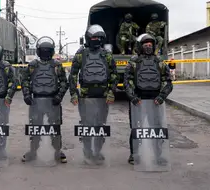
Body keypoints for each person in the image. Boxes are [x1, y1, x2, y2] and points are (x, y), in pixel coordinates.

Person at [69, 25, 118, 162]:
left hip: (103, 95)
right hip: (86, 96)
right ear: (89, 38)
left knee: (100, 125)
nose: (96, 40)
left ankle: (97, 151)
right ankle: (87, 151)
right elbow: (72, 75)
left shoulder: (106, 54)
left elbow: (114, 75)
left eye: (98, 38)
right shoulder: (81, 54)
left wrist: (111, 92)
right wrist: (73, 93)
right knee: (87, 125)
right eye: (94, 37)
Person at [124, 33, 173, 165]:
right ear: (140, 46)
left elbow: (168, 82)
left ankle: (157, 155)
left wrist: (162, 97)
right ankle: (134, 154)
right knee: (136, 128)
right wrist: (133, 97)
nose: (148, 47)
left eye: (150, 45)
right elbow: (127, 82)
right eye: (145, 45)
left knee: (156, 129)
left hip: (155, 101)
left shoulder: (160, 62)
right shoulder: (134, 62)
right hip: (138, 101)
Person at [21, 36, 68, 164]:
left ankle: (57, 151)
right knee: (35, 127)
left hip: (53, 101)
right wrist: (26, 95)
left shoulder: (57, 66)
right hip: (36, 101)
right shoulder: (33, 65)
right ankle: (33, 151)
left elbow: (64, 82)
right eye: (44, 50)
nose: (46, 53)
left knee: (55, 128)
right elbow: (24, 80)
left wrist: (59, 96)